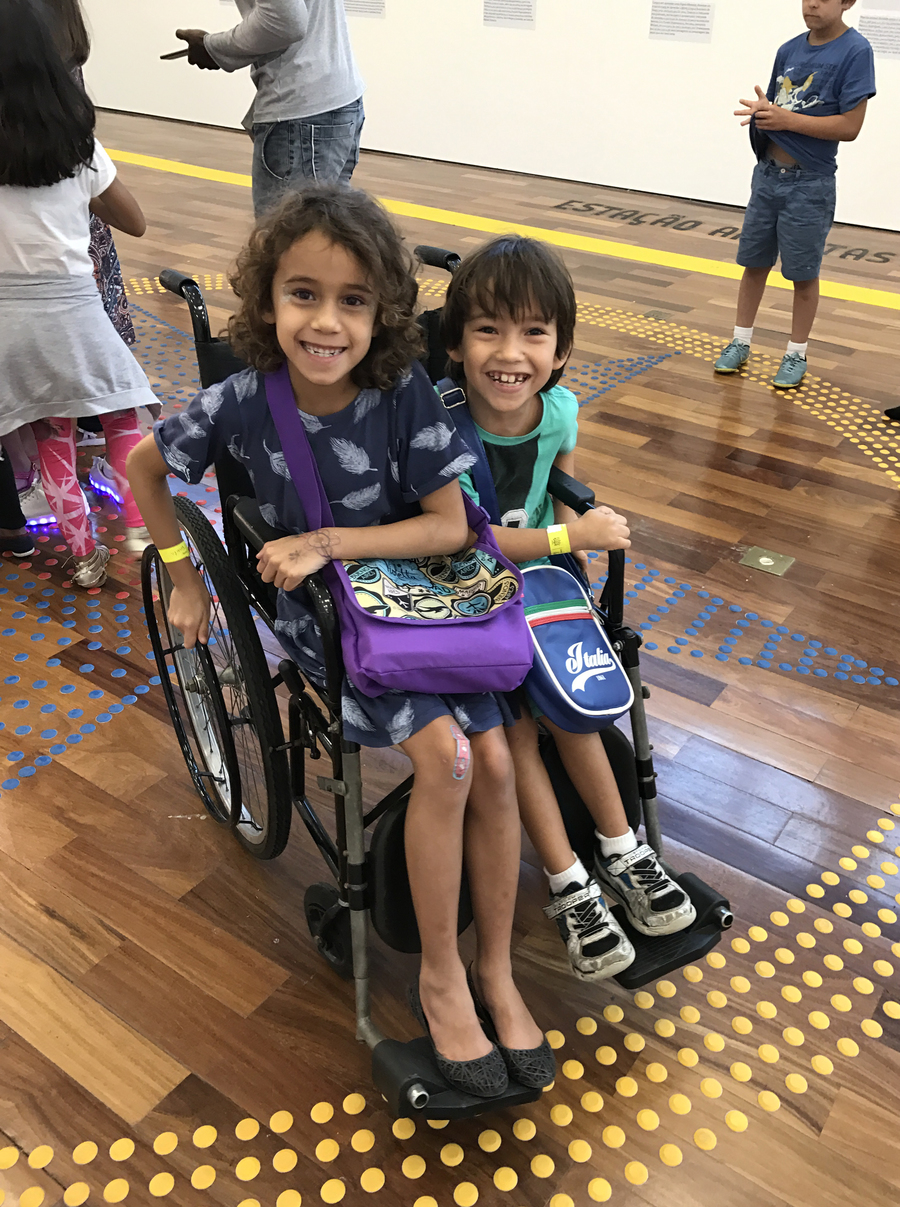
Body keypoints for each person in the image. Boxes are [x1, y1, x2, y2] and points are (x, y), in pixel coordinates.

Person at [126, 184, 554, 1097]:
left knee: (503, 763)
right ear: (267, 298)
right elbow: (142, 466)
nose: (326, 322)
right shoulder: (241, 400)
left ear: (383, 313)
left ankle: (497, 972)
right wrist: (180, 570)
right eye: (303, 294)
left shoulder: (401, 396)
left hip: (420, 600)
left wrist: (328, 540)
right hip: (327, 620)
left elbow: (449, 528)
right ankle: (442, 977)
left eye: (352, 300)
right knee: (447, 759)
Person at [442, 235, 697, 983]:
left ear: (560, 350)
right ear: (455, 344)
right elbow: (469, 537)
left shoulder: (558, 411)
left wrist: (573, 566)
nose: (509, 353)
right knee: (517, 725)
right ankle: (568, 883)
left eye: (533, 333)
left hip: (537, 585)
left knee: (575, 714)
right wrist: (567, 534)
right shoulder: (442, 421)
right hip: (463, 589)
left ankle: (622, 850)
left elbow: (564, 491)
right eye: (487, 329)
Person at [0, 0, 153, 588]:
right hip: (75, 313)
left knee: (51, 441)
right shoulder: (78, 146)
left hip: (12, 329)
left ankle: (85, 555)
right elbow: (133, 221)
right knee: (120, 420)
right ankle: (142, 533)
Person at [714, 0, 875, 389]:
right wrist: (763, 115)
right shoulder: (788, 50)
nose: (811, 4)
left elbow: (850, 126)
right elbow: (776, 107)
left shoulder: (856, 50)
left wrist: (786, 120)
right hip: (767, 176)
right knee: (753, 262)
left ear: (848, 2)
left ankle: (795, 352)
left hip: (811, 183)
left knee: (803, 274)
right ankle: (740, 341)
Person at [175, 1, 365, 218]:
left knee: (290, 242)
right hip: (337, 98)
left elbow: (285, 21)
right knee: (331, 235)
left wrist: (215, 47)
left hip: (302, 112)